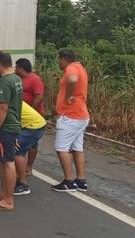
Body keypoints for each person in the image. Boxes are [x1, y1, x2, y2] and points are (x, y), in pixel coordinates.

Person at [0, 51, 23, 211]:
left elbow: (3, 107)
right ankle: (4, 193)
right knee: (2, 161)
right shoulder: (16, 79)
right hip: (12, 125)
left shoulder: (5, 82)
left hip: (5, 127)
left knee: (7, 162)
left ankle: (8, 200)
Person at [51, 48, 90, 192]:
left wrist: (68, 96)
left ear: (63, 59)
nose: (58, 63)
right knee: (77, 148)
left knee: (61, 148)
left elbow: (72, 80)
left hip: (70, 116)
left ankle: (68, 180)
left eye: (58, 60)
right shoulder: (81, 67)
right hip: (81, 115)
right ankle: (81, 180)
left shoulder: (71, 68)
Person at [14, 58, 45, 178]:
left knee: (32, 143)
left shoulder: (34, 79)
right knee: (24, 142)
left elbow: (39, 96)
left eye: (16, 67)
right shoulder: (20, 79)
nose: (15, 70)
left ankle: (28, 167)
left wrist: (32, 109)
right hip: (22, 116)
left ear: (21, 68)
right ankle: (21, 167)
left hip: (33, 116)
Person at [12, 101, 46, 196]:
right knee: (32, 144)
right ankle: (27, 169)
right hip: (38, 123)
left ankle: (22, 184)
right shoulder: (14, 97)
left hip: (33, 126)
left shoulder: (5, 102)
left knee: (17, 151)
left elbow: (10, 122)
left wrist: (13, 137)